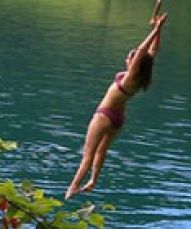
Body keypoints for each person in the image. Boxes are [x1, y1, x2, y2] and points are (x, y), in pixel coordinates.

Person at [65, 4, 169, 198]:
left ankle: (72, 188)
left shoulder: (131, 76)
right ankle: (93, 181)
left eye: (130, 57)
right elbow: (152, 52)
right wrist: (158, 29)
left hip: (104, 115)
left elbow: (142, 50)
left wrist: (155, 29)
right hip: (118, 118)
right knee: (101, 151)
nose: (128, 58)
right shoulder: (141, 77)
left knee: (88, 154)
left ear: (134, 62)